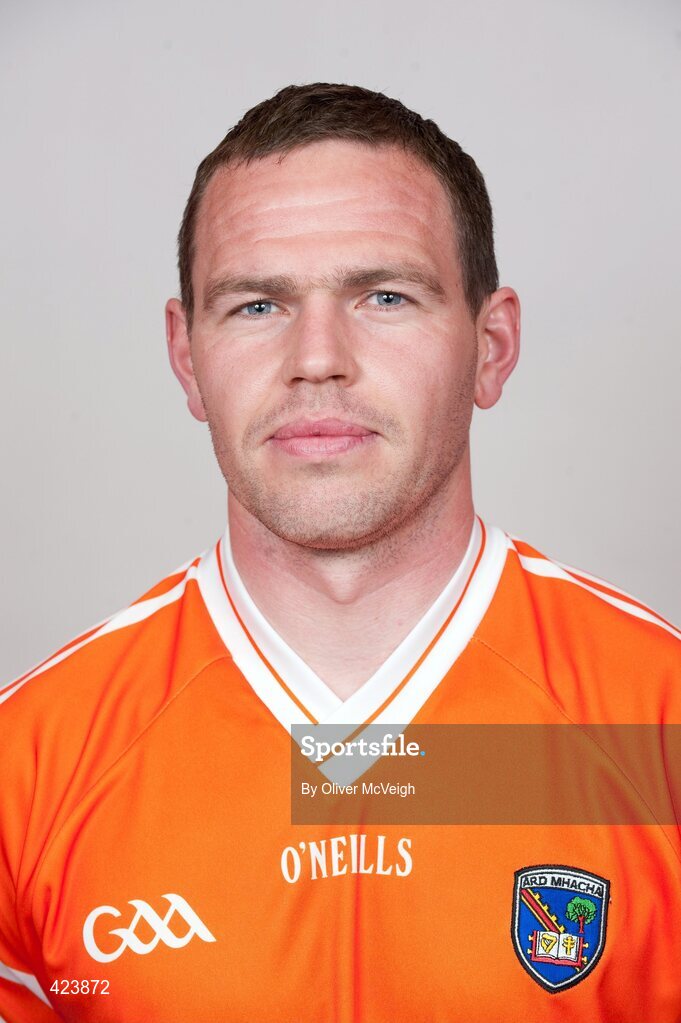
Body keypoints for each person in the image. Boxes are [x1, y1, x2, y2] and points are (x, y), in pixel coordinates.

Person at [1, 82, 679, 1023]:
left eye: (385, 296)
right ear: (186, 357)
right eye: (256, 305)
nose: (317, 357)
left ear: (490, 346)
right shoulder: (27, 763)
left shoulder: (658, 724)